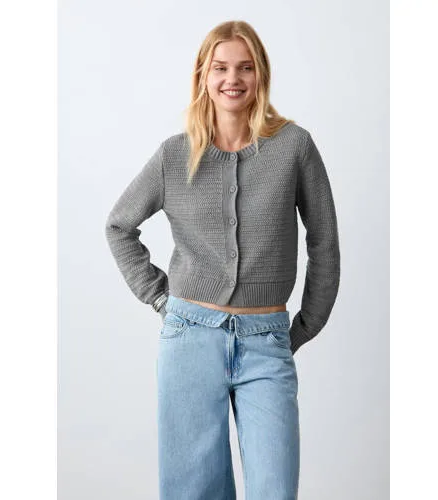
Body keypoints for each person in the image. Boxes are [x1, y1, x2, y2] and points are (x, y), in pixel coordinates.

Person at [105, 20, 340, 500]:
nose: (233, 78)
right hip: (189, 339)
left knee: (275, 488)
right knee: (194, 492)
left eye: (245, 67)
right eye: (221, 68)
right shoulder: (175, 155)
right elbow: (118, 226)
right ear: (203, 75)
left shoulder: (294, 146)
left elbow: (325, 241)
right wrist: (159, 297)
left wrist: (306, 324)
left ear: (261, 75)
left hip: (267, 340)